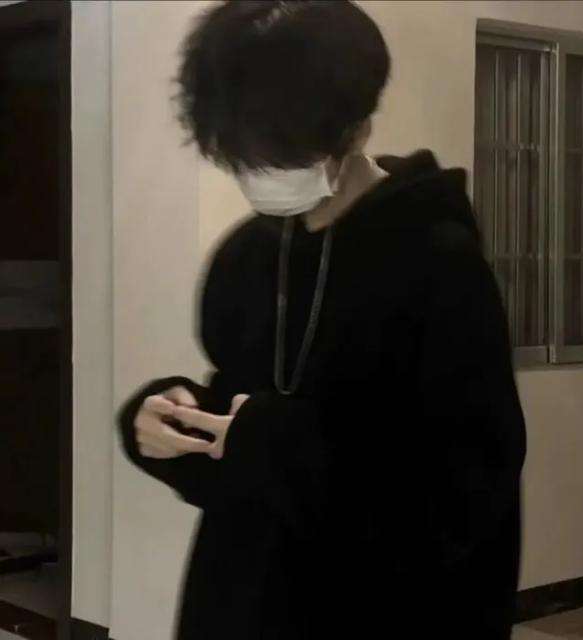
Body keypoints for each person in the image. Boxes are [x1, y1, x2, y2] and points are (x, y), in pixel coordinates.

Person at [116, 1, 527, 638]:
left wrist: (266, 440)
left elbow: (465, 491)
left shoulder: (437, 261)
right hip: (240, 603)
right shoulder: (247, 256)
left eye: (279, 156)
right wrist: (173, 425)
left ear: (356, 131)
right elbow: (238, 426)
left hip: (381, 611)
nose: (260, 178)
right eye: (243, 159)